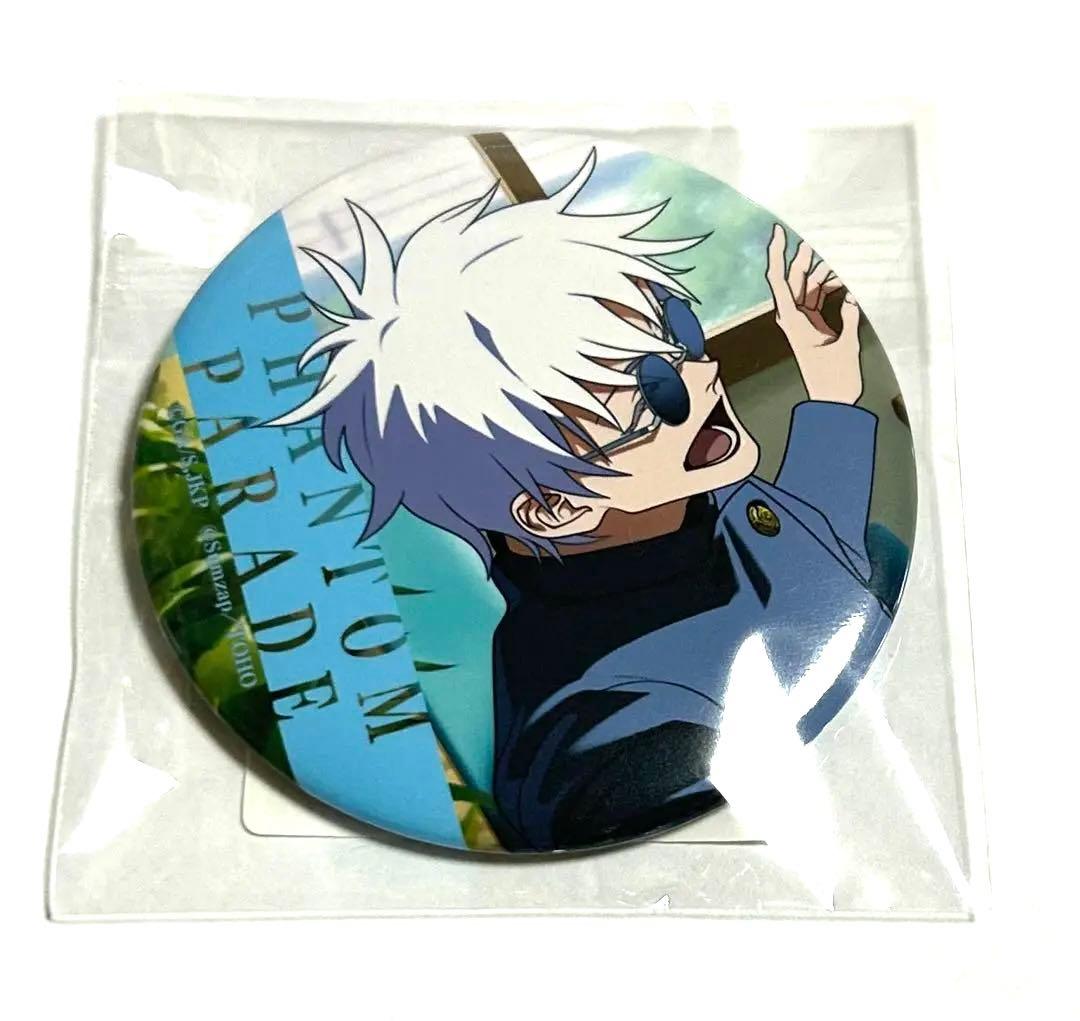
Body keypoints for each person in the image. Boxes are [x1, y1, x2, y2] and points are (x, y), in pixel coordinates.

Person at [272, 150, 892, 851]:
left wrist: (831, 391)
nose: (707, 372)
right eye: (657, 391)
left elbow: (807, 560)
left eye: (681, 332)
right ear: (553, 508)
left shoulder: (668, 501)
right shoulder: (606, 742)